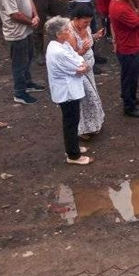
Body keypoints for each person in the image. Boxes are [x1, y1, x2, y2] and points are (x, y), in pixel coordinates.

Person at [0, 0, 43, 105]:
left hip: (26, 28)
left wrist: (35, 15)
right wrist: (31, 22)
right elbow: (14, 14)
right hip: (16, 32)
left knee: (28, 58)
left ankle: (27, 83)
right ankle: (19, 93)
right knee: (19, 64)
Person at [45, 17, 92, 165]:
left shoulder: (61, 44)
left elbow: (77, 58)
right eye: (66, 30)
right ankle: (73, 155)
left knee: (72, 120)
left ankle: (73, 147)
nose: (69, 32)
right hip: (67, 92)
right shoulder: (58, 51)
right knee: (71, 121)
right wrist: (83, 66)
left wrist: (82, 65)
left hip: (69, 88)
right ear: (59, 34)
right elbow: (79, 66)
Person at [109, 0, 139, 117]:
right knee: (129, 77)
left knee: (132, 76)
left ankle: (132, 97)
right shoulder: (121, 9)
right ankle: (129, 106)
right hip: (128, 48)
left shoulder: (120, 1)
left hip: (130, 45)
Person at [66, 4, 106, 140]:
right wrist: (82, 51)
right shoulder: (69, 33)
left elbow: (88, 38)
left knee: (91, 96)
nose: (88, 24)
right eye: (85, 22)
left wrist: (95, 36)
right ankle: (82, 129)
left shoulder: (85, 27)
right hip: (79, 72)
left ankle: (93, 125)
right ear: (76, 19)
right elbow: (69, 57)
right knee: (86, 98)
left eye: (89, 22)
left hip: (88, 71)